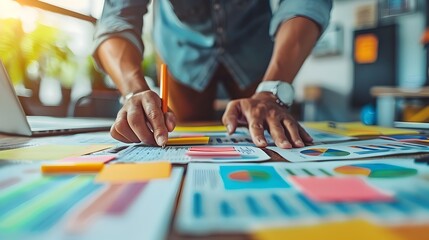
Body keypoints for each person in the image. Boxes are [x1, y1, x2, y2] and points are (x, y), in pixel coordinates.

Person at [93, 0, 332, 149]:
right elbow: (117, 17)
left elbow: (306, 2)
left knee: (265, 137)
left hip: (254, 48)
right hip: (181, 51)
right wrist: (134, 90)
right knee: (177, 137)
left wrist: (270, 91)